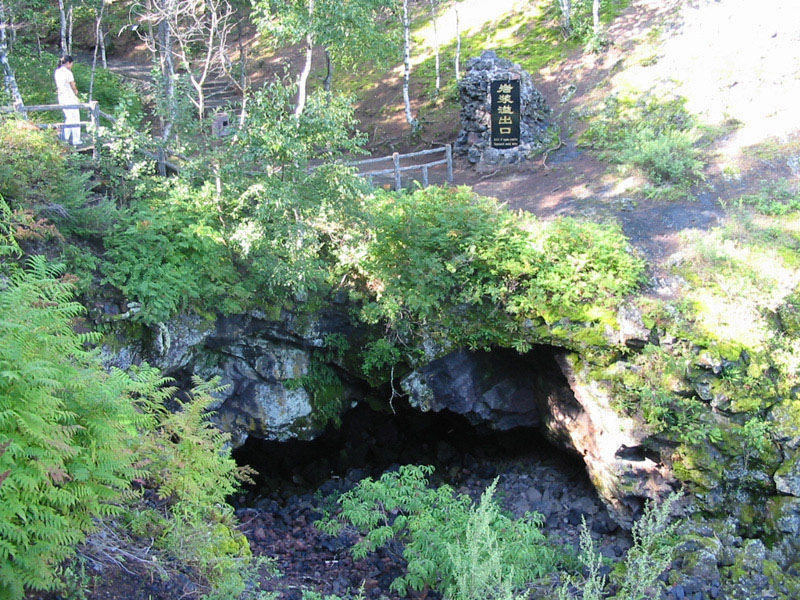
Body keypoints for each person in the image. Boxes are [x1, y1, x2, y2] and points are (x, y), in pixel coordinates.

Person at [54, 55, 81, 146]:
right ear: (68, 63)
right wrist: (76, 92)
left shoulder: (57, 72)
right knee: (75, 118)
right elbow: (72, 85)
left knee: (69, 117)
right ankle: (76, 139)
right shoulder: (68, 72)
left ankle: (65, 138)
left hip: (61, 97)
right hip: (69, 97)